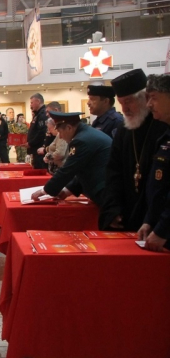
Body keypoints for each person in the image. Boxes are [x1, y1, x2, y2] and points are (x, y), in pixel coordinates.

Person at [98, 69, 170, 231]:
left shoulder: (162, 125)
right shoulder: (124, 129)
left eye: (128, 102)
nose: (124, 109)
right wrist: (113, 208)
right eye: (121, 103)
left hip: (157, 215)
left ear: (145, 98)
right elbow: (113, 171)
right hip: (127, 211)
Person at [30, 112, 112, 206]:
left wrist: (44, 191)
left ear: (69, 128)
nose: (60, 136)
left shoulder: (81, 140)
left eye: (60, 132)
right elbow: (82, 169)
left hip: (107, 192)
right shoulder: (86, 134)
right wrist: (67, 190)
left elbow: (68, 170)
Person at [142, 73, 170, 251]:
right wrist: (149, 220)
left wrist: (162, 230)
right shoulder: (165, 135)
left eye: (154, 98)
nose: (149, 105)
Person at [28, 93, 49, 168]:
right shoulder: (37, 114)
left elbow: (41, 132)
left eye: (32, 102)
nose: (31, 105)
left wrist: (30, 143)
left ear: (38, 101)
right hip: (35, 149)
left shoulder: (42, 114)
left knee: (39, 169)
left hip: (39, 148)